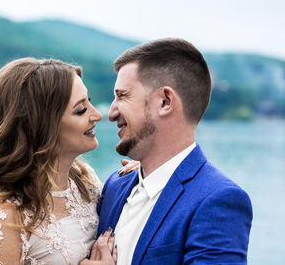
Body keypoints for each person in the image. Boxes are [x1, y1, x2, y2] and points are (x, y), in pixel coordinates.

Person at [82, 38, 253, 265]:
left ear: (164, 102)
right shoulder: (115, 185)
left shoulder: (219, 200)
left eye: (122, 95)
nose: (111, 112)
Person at [0, 58, 133, 264]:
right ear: (41, 125)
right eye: (80, 110)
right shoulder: (6, 212)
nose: (97, 115)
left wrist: (141, 176)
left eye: (90, 102)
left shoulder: (85, 181)